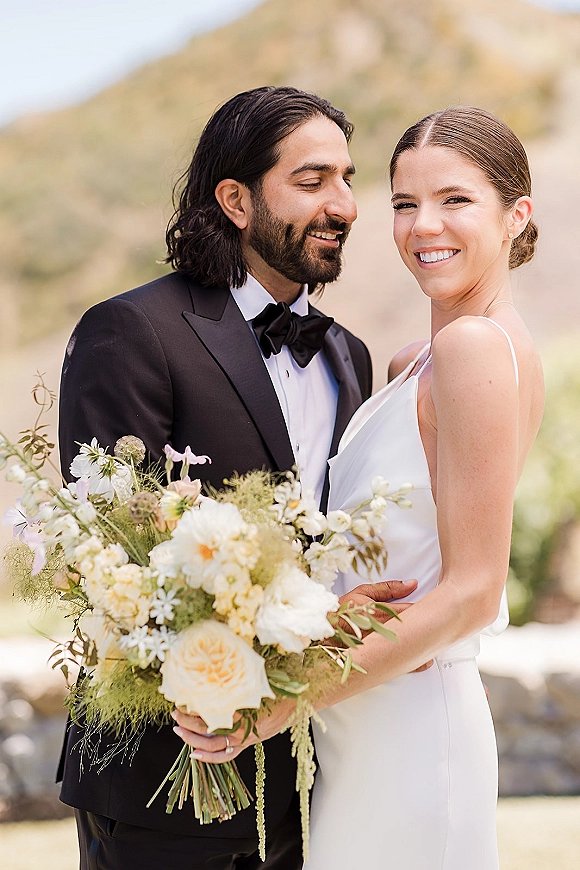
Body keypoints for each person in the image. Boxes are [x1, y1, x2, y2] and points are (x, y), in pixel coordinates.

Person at [175, 106, 545, 869]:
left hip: (411, 731)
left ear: (517, 215)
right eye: (405, 203)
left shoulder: (475, 347)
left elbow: (473, 592)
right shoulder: (422, 356)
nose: (422, 226)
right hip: (360, 722)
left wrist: (278, 704)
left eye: (455, 200)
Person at [56, 86, 416, 870]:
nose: (346, 205)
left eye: (349, 180)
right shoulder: (132, 331)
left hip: (309, 773)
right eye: (313, 181)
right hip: (162, 774)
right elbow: (111, 562)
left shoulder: (348, 355)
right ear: (236, 199)